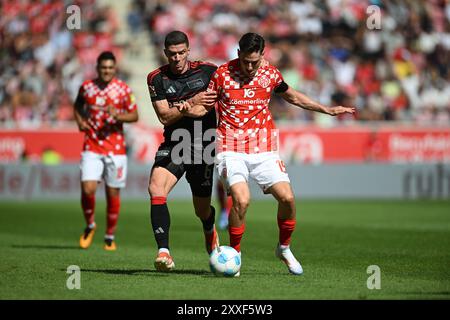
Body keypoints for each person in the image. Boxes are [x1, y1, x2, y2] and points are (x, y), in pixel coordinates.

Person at [179, 33, 355, 276]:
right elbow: (204, 107)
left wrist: (325, 109)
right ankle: (236, 255)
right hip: (231, 147)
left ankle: (283, 248)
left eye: (255, 61)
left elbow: (292, 96)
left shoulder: (270, 73)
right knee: (241, 200)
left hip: (264, 148)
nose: (250, 67)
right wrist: (188, 109)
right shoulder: (222, 74)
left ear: (263, 55)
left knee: (288, 199)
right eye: (246, 61)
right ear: (238, 53)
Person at [146, 31, 219, 271]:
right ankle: (164, 252)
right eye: (172, 54)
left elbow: (203, 111)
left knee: (201, 209)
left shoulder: (208, 71)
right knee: (156, 187)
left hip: (203, 144)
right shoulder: (156, 78)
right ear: (165, 53)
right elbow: (165, 117)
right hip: (175, 142)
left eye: (181, 53)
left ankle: (209, 228)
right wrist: (189, 106)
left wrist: (193, 106)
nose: (176, 58)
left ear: (188, 50)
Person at [74, 51, 139, 251]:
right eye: (103, 68)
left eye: (110, 68)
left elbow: (134, 116)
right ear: (97, 68)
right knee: (88, 188)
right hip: (92, 144)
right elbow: (77, 106)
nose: (107, 71)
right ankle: (90, 225)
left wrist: (118, 115)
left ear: (115, 69)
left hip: (116, 148)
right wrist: (80, 121)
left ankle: (109, 235)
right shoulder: (87, 87)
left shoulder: (123, 90)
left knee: (112, 193)